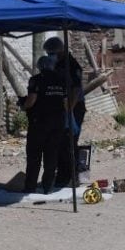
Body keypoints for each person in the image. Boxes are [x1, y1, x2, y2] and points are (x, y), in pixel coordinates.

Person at [43, 36, 86, 188]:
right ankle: (62, 175)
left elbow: (75, 89)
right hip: (63, 107)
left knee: (69, 142)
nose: (50, 56)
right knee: (60, 142)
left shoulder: (71, 65)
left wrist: (70, 109)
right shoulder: (58, 64)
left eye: (51, 53)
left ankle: (70, 176)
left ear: (60, 51)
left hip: (74, 107)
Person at [22, 56, 66, 193]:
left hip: (39, 123)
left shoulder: (36, 80)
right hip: (57, 123)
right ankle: (48, 186)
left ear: (40, 66)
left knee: (34, 156)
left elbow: (31, 100)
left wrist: (23, 106)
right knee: (51, 156)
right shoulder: (61, 80)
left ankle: (30, 186)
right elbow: (65, 102)